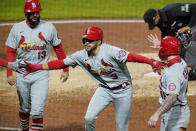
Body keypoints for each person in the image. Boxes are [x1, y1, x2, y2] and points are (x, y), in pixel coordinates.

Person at [21, 26, 165, 131]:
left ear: (99, 41)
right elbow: (60, 63)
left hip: (123, 91)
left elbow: (132, 56)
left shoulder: (110, 51)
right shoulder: (81, 55)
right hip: (104, 90)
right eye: (85, 40)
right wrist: (35, 67)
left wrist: (151, 62)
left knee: (121, 128)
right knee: (88, 119)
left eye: (90, 40)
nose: (86, 42)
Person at [5, 0, 69, 130]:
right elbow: (10, 51)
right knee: (24, 109)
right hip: (22, 74)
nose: (35, 15)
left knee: (37, 111)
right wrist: (9, 73)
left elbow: (59, 48)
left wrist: (65, 68)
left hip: (41, 74)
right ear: (26, 13)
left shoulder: (49, 27)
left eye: (37, 12)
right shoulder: (17, 29)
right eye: (32, 12)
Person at [143, 3, 196, 80]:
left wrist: (189, 26)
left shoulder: (172, 10)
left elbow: (194, 7)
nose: (155, 24)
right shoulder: (161, 22)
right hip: (189, 29)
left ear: (157, 16)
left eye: (154, 22)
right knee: (176, 43)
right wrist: (162, 43)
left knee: (186, 37)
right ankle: (183, 66)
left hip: (194, 24)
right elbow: (166, 35)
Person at [147, 36, 190, 131]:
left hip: (174, 115)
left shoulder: (173, 73)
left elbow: (172, 97)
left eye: (162, 48)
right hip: (176, 111)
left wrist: (156, 114)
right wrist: (163, 45)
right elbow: (171, 62)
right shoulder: (181, 61)